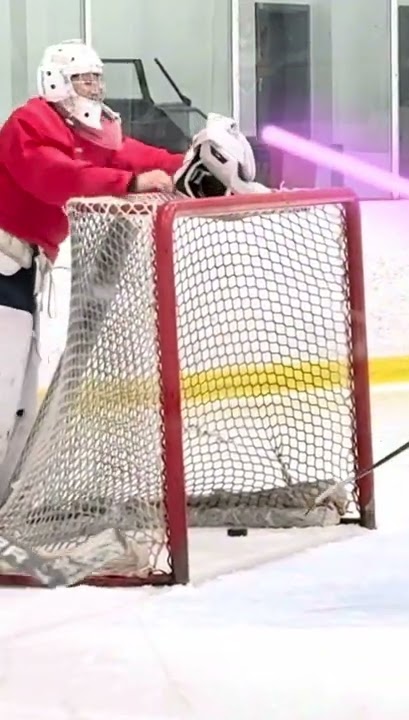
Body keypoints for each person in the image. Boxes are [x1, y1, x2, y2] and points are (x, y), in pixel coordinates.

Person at [0, 40, 264, 502]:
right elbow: (52, 175)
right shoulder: (29, 123)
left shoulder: (90, 133)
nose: (95, 87)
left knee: (20, 399)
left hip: (23, 269)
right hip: (5, 263)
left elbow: (134, 157)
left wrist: (187, 164)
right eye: (85, 78)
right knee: (4, 393)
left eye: (98, 78)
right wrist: (128, 184)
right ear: (56, 81)